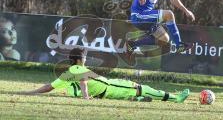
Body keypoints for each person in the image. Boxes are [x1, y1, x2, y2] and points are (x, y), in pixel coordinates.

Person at [22, 48, 190, 103]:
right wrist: (86, 97)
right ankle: (176, 98)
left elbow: (49, 87)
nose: (86, 58)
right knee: (142, 88)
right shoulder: (78, 70)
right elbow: (83, 82)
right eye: (85, 56)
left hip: (107, 88)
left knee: (133, 92)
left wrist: (30, 92)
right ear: (80, 59)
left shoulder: (67, 72)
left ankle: (136, 100)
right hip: (110, 87)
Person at [125, 0, 195, 57]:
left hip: (148, 19)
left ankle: (132, 44)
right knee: (169, 14)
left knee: (164, 39)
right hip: (138, 16)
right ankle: (179, 45)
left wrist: (186, 10)